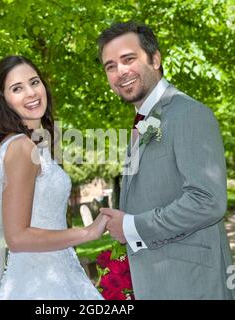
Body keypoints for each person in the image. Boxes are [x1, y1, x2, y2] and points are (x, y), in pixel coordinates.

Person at [0, 55, 109, 300]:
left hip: (59, 274)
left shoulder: (34, 143)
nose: (31, 92)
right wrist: (87, 233)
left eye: (34, 82)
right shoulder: (21, 147)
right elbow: (17, 237)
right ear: (4, 101)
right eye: (17, 88)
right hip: (41, 286)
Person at [98, 21, 235, 299]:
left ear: (156, 59)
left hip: (192, 286)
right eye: (110, 66)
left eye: (128, 59)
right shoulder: (143, 121)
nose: (120, 71)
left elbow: (207, 201)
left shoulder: (188, 113)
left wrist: (131, 226)